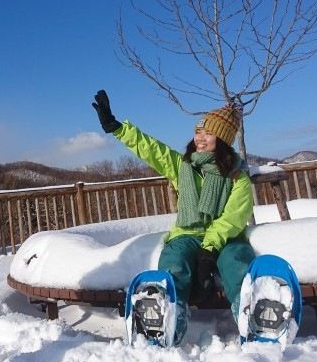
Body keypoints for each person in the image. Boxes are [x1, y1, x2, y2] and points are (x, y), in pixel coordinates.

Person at [92, 89, 255, 345]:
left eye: (208, 133)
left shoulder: (237, 175)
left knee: (236, 262)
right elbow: (151, 149)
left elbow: (235, 215)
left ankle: (252, 316)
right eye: (198, 132)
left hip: (226, 238)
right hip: (187, 234)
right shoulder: (183, 166)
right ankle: (168, 319)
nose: (200, 138)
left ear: (222, 139)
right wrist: (117, 127)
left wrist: (210, 249)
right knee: (174, 261)